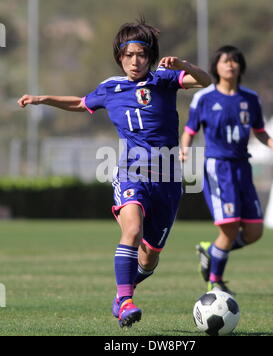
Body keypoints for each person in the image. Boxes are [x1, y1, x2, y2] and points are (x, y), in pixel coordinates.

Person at [18, 19, 211, 327]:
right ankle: (126, 301)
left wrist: (184, 64)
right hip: (131, 172)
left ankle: (122, 295)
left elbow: (206, 81)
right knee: (131, 231)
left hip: (168, 179)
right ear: (119, 57)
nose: (135, 61)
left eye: (141, 54)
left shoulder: (164, 79)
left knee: (149, 258)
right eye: (129, 55)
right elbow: (81, 103)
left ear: (150, 56)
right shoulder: (110, 88)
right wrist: (43, 99)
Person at [180, 45, 273, 295]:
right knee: (229, 228)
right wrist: (184, 148)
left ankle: (211, 251)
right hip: (218, 168)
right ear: (215, 67)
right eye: (224, 61)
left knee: (254, 232)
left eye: (234, 61)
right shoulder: (205, 97)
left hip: (243, 167)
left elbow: (259, 130)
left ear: (240, 66)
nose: (230, 64)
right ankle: (214, 280)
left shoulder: (250, 99)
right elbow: (190, 129)